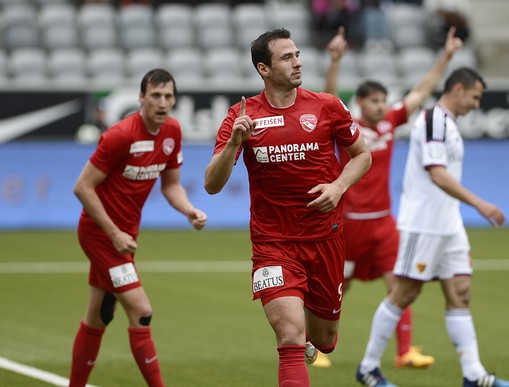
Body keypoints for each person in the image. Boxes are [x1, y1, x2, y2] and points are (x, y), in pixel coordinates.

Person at [204, 28, 371, 386]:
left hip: (325, 239)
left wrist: (338, 186)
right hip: (273, 245)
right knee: (290, 336)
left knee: (324, 340)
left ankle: (316, 338)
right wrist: (235, 143)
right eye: (287, 57)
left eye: (297, 55)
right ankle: (298, 342)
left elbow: (362, 156)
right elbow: (211, 185)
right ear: (264, 68)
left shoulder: (326, 106)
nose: (297, 62)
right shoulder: (242, 115)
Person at [355, 67, 509, 387]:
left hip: (449, 223)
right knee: (404, 292)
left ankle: (474, 374)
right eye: (475, 96)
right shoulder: (433, 121)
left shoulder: (449, 124)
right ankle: (368, 367)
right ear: (458, 89)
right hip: (424, 224)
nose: (476, 104)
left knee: (460, 291)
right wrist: (480, 204)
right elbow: (437, 173)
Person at [312, 26, 463, 371]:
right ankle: (314, 345)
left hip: (383, 224)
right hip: (347, 225)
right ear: (361, 102)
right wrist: (335, 60)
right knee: (335, 288)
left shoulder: (390, 124)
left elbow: (421, 92)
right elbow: (329, 94)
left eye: (384, 101)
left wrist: (446, 56)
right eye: (375, 101)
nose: (382, 107)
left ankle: (404, 351)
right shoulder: (345, 125)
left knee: (401, 284)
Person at [69, 68, 208, 387]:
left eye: (168, 96)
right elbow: (82, 187)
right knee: (141, 310)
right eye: (156, 95)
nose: (162, 103)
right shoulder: (120, 136)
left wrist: (189, 210)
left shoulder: (172, 131)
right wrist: (114, 233)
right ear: (141, 97)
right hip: (101, 235)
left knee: (99, 315)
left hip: (125, 238)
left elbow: (171, 185)